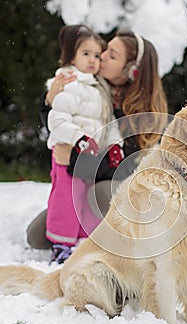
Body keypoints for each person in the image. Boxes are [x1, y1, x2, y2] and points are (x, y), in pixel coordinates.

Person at [27, 29, 168, 255]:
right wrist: (49, 101)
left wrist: (73, 158)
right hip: (86, 175)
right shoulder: (93, 85)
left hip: (123, 190)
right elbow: (62, 123)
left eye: (111, 56)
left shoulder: (140, 114)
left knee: (102, 194)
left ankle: (111, 244)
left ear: (132, 71)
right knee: (37, 236)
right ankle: (74, 228)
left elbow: (121, 171)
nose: (100, 57)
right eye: (105, 50)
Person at [44, 25, 124, 263]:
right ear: (72, 56)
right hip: (69, 152)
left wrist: (114, 145)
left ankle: (82, 240)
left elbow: (107, 122)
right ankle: (60, 243)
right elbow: (57, 118)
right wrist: (77, 137)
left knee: (85, 198)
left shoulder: (98, 87)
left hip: (90, 156)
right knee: (66, 198)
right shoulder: (69, 83)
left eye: (97, 55)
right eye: (86, 54)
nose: (92, 60)